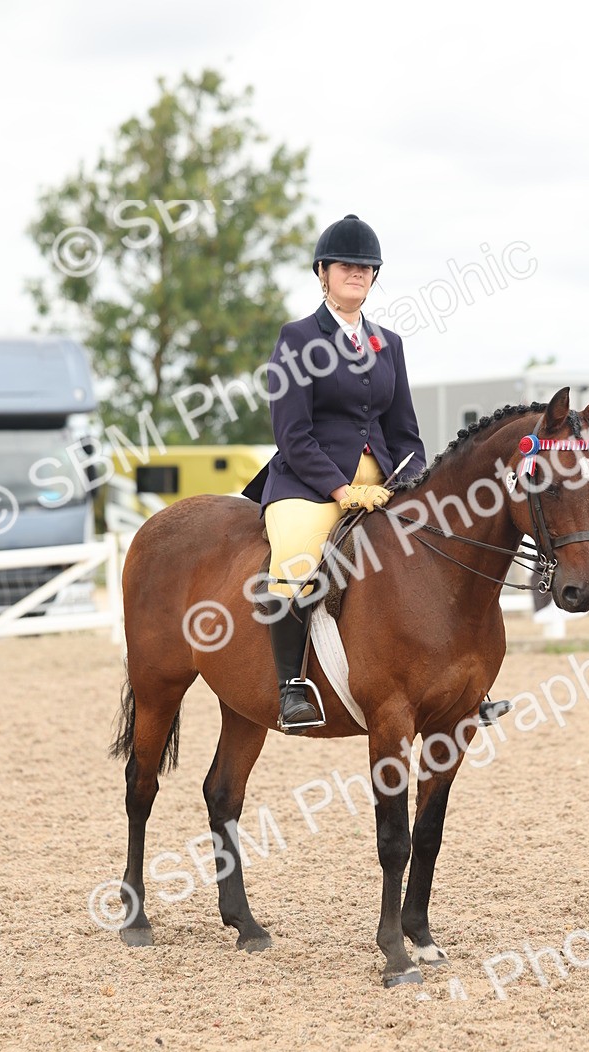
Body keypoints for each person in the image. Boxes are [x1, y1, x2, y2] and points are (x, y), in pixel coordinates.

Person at [242, 214, 426, 733]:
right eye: (349, 266)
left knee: (438, 552)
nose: (359, 274)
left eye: (368, 268)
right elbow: (292, 433)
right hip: (309, 482)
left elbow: (404, 428)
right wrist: (340, 488)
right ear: (323, 273)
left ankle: (454, 681)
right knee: (299, 556)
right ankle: (291, 685)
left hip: (383, 482)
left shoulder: (388, 343)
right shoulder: (298, 338)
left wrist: (415, 482)